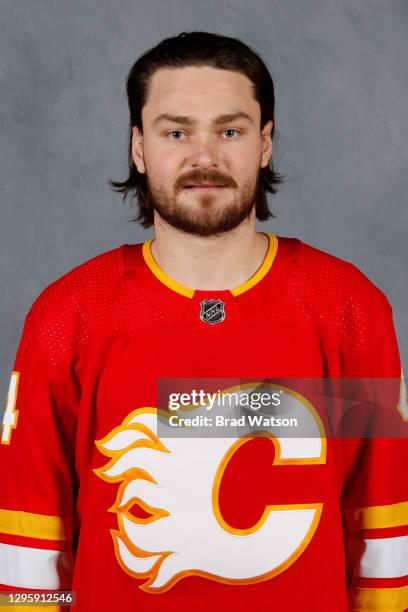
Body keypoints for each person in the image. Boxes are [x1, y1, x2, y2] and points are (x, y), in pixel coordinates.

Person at [0, 31, 407, 612]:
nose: (205, 157)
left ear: (265, 144)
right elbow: (32, 533)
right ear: (139, 148)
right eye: (176, 131)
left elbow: (382, 518)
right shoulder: (68, 314)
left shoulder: (348, 307)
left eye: (231, 130)